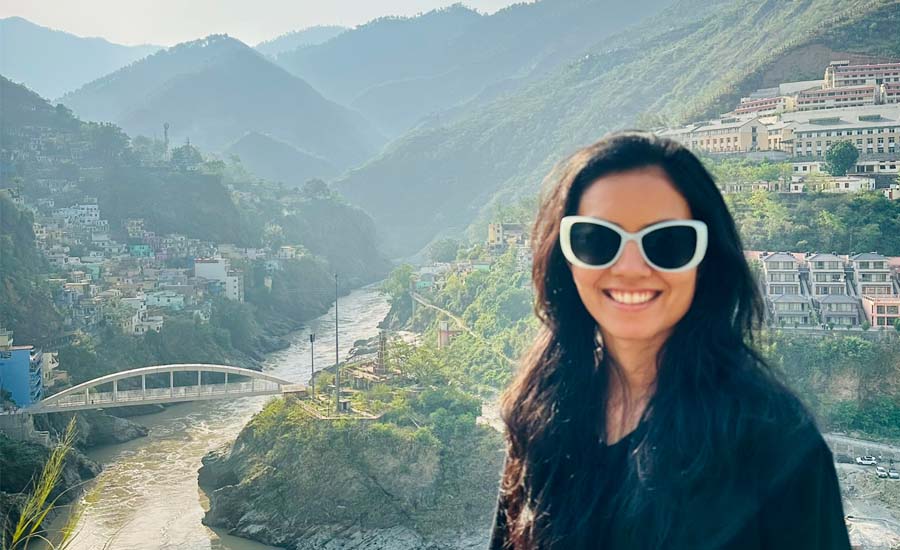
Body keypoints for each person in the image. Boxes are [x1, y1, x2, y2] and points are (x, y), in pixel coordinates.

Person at [489, 132, 851, 549]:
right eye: (596, 240)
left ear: (706, 260)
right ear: (564, 257)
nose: (629, 268)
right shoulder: (542, 414)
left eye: (666, 243)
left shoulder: (775, 444)